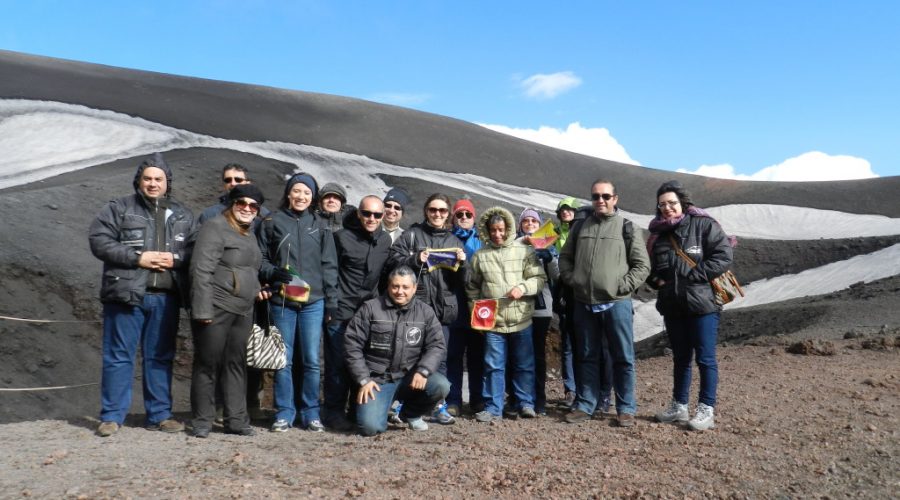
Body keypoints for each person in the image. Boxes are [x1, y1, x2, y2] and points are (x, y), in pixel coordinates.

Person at [88, 155, 194, 437]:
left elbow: (195, 251)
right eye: (147, 178)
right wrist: (138, 258)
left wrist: (176, 260)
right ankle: (111, 416)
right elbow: (99, 241)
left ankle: (159, 414)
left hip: (165, 296)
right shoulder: (119, 208)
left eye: (158, 179)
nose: (153, 183)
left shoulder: (183, 215)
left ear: (167, 182)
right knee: (118, 356)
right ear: (139, 180)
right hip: (125, 293)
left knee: (160, 356)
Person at [558, 179, 650, 427]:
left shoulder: (627, 228)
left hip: (616, 303)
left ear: (615, 199)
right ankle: (586, 404)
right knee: (587, 355)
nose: (600, 200)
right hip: (584, 302)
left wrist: (620, 287)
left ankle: (626, 408)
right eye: (596, 196)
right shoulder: (580, 227)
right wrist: (573, 279)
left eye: (606, 196)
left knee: (623, 356)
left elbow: (643, 265)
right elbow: (565, 258)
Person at [646, 181, 733, 431]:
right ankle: (679, 406)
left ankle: (706, 409)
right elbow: (651, 268)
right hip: (673, 306)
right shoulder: (658, 235)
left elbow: (723, 255)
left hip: (703, 304)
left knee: (705, 359)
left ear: (682, 203)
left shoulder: (704, 225)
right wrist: (657, 282)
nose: (667, 208)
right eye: (662, 204)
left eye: (672, 203)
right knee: (681, 358)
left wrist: (694, 276)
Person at [257, 172, 339, 433]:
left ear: (313, 197)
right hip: (283, 299)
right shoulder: (272, 222)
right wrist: (271, 273)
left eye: (306, 192)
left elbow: (329, 265)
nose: (301, 196)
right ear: (289, 194)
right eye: (297, 191)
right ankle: (284, 412)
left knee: (312, 360)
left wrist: (331, 301)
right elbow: (260, 258)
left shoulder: (321, 225)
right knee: (284, 358)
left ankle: (311, 412)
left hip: (314, 301)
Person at [189, 184, 267, 438]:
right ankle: (202, 420)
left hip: (243, 309)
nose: (246, 208)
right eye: (241, 203)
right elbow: (201, 270)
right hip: (216, 306)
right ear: (231, 204)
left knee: (236, 364)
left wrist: (256, 288)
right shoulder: (214, 227)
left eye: (252, 205)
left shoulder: (249, 233)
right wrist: (202, 310)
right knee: (207, 363)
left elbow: (249, 269)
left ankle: (236, 420)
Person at [387, 193, 466, 425]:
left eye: (442, 211)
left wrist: (463, 263)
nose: (437, 214)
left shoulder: (455, 241)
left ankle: (438, 406)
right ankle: (405, 404)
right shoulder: (412, 235)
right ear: (426, 211)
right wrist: (415, 259)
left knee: (439, 358)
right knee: (409, 358)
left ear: (448, 214)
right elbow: (392, 262)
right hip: (415, 309)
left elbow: (465, 281)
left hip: (443, 311)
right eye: (433, 210)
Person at [344, 266, 450, 436]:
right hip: (378, 379)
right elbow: (352, 344)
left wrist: (423, 371)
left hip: (410, 376)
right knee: (370, 428)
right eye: (395, 286)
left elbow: (437, 345)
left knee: (441, 385)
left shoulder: (426, 312)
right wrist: (363, 379)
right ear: (388, 286)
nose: (400, 291)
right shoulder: (370, 308)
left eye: (405, 287)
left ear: (414, 288)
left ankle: (411, 414)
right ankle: (377, 409)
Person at [467, 207, 546, 422]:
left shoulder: (524, 250)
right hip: (493, 322)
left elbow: (539, 278)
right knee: (493, 366)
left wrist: (522, 287)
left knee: (524, 364)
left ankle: (525, 403)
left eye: (501, 229)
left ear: (508, 228)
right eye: (493, 230)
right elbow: (472, 288)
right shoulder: (480, 256)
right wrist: (477, 314)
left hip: (521, 318)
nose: (497, 234)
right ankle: (493, 407)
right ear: (487, 230)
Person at [322, 196, 393, 431]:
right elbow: (330, 272)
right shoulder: (341, 237)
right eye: (367, 213)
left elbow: (384, 277)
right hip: (342, 310)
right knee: (338, 364)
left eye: (377, 215)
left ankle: (355, 410)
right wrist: (331, 305)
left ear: (383, 216)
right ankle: (332, 411)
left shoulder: (384, 240)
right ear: (359, 213)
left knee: (362, 361)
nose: (371, 218)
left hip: (368, 313)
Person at [515, 208, 558, 415]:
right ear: (520, 224)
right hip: (517, 307)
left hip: (541, 307)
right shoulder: (514, 244)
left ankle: (539, 398)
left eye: (534, 221)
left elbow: (556, 277)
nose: (530, 223)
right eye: (526, 221)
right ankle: (519, 397)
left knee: (538, 355)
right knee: (518, 355)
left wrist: (550, 259)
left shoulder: (548, 245)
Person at [445, 197, 485, 415]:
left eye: (467, 214)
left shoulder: (482, 240)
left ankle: (478, 399)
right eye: (459, 214)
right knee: (453, 356)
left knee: (477, 356)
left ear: (474, 217)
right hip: (453, 304)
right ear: (454, 217)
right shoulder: (446, 239)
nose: (463, 218)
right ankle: (453, 400)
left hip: (477, 306)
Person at [553, 197, 580, 406]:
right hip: (563, 290)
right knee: (569, 344)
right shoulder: (553, 234)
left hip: (581, 290)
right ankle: (571, 390)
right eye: (562, 209)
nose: (565, 212)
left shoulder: (584, 231)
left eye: (570, 209)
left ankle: (586, 388)